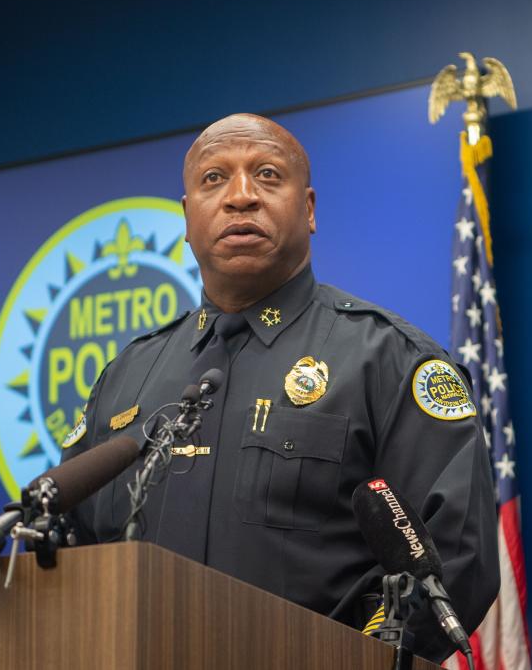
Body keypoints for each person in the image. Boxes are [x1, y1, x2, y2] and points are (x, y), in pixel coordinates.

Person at [60, 114, 499, 661]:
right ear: (187, 217)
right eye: (214, 179)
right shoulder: (125, 377)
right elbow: (68, 551)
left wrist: (353, 658)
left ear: (309, 209)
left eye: (267, 175)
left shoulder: (388, 359)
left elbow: (456, 559)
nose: (240, 196)